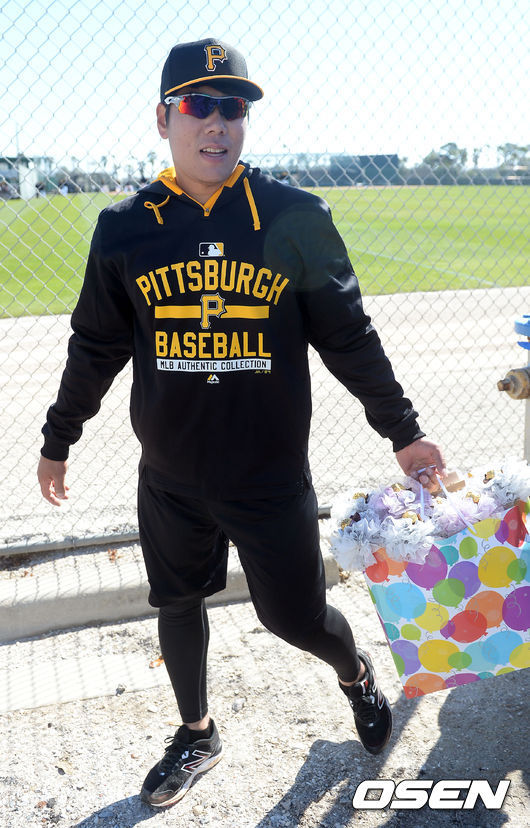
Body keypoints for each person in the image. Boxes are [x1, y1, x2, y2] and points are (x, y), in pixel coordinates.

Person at [37, 38, 446, 809]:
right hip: (170, 475)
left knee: (295, 618)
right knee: (176, 605)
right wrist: (60, 436)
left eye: (233, 106)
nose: (218, 121)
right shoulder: (126, 227)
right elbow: (96, 344)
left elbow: (348, 336)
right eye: (199, 104)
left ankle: (355, 674)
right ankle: (197, 734)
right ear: (164, 118)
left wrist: (404, 430)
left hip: (268, 475)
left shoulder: (294, 217)